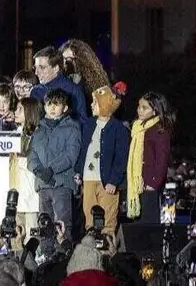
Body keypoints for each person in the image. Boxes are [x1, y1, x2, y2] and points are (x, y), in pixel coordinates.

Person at [76, 83, 129, 238]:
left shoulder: (119, 129)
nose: (92, 105)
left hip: (107, 182)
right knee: (89, 216)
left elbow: (121, 157)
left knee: (107, 218)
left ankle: (108, 252)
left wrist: (114, 180)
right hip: (89, 178)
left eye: (95, 102)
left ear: (106, 104)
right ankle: (91, 249)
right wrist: (79, 171)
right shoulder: (88, 124)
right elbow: (83, 150)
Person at [28, 88, 81, 228]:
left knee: (61, 224)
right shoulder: (39, 129)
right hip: (43, 183)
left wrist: (51, 169)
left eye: (56, 104)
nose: (52, 107)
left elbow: (70, 155)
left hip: (61, 183)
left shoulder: (72, 127)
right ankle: (46, 249)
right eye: (49, 104)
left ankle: (62, 249)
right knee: (44, 224)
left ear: (65, 108)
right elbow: (32, 153)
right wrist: (38, 170)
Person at [125, 91, 173, 223]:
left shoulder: (159, 130)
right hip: (139, 185)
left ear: (155, 111)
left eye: (144, 107)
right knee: (139, 226)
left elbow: (162, 160)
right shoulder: (137, 128)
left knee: (150, 226)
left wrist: (153, 183)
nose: (139, 110)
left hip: (151, 187)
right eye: (139, 106)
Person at [28, 47, 89, 126]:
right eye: (35, 67)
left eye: (42, 67)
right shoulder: (35, 91)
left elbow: (82, 124)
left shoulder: (74, 91)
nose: (36, 72)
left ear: (56, 68)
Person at [12, 97, 43, 234]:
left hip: (30, 187)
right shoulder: (15, 133)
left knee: (31, 228)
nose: (16, 112)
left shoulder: (38, 134)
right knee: (17, 227)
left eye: (20, 109)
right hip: (15, 184)